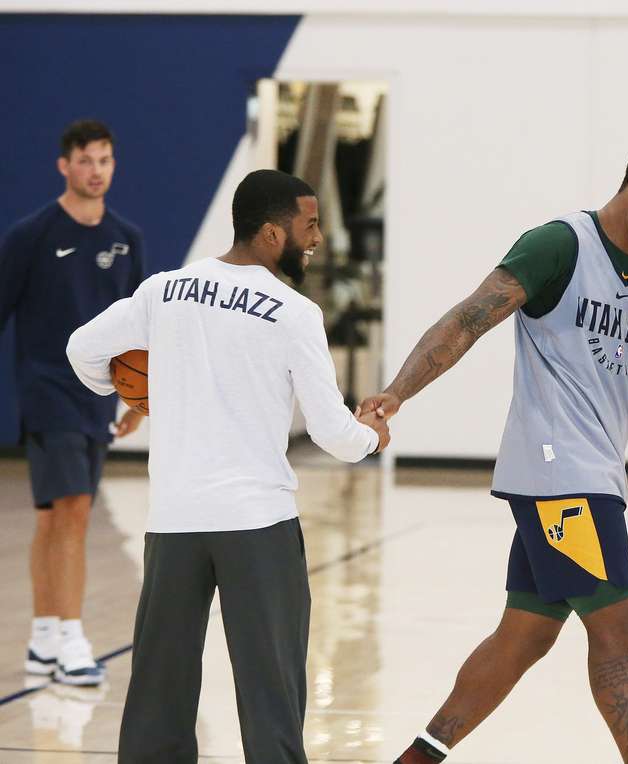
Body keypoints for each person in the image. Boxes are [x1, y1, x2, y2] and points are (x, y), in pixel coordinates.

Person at [360, 138, 628, 764]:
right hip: (560, 473)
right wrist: (396, 393)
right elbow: (469, 318)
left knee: (524, 636)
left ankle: (416, 759)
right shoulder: (561, 245)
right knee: (618, 632)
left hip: (588, 474)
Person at [65, 169, 391, 764]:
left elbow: (82, 348)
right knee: (271, 696)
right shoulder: (294, 313)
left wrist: (135, 396)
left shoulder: (164, 290)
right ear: (271, 234)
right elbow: (331, 434)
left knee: (158, 697)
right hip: (257, 523)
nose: (317, 237)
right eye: (309, 224)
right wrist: (371, 436)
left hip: (174, 520)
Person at [0, 119, 146, 687]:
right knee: (77, 511)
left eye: (105, 160)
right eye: (85, 160)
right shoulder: (30, 234)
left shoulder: (126, 237)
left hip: (99, 398)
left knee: (53, 517)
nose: (95, 170)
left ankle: (42, 639)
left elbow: (137, 324)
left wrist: (137, 399)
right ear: (65, 165)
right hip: (47, 389)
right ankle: (72, 638)